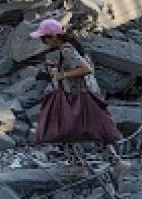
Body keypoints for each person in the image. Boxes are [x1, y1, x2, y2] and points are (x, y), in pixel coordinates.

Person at [29, 18, 126, 187]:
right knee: (90, 130)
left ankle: (79, 165)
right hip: (86, 95)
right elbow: (85, 67)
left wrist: (62, 75)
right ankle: (116, 163)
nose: (42, 41)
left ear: (53, 36)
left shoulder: (66, 50)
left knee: (65, 130)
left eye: (44, 38)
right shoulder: (70, 48)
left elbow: (86, 69)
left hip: (79, 97)